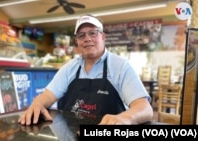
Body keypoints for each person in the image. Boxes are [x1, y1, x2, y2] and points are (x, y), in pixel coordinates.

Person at [18, 14, 153, 125]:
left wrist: (126, 118)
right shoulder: (69, 68)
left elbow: (145, 108)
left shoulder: (121, 66)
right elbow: (48, 96)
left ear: (103, 37)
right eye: (81, 35)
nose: (87, 39)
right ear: (77, 41)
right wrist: (36, 104)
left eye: (92, 33)